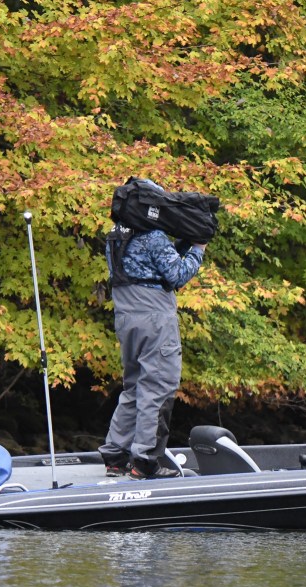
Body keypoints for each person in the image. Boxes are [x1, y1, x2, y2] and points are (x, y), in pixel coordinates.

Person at [98, 180, 207, 479]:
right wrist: (198, 249)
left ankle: (116, 455)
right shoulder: (154, 237)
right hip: (155, 318)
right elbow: (177, 274)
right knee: (158, 388)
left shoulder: (115, 235)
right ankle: (146, 461)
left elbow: (150, 266)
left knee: (134, 386)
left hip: (126, 318)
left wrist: (181, 243)